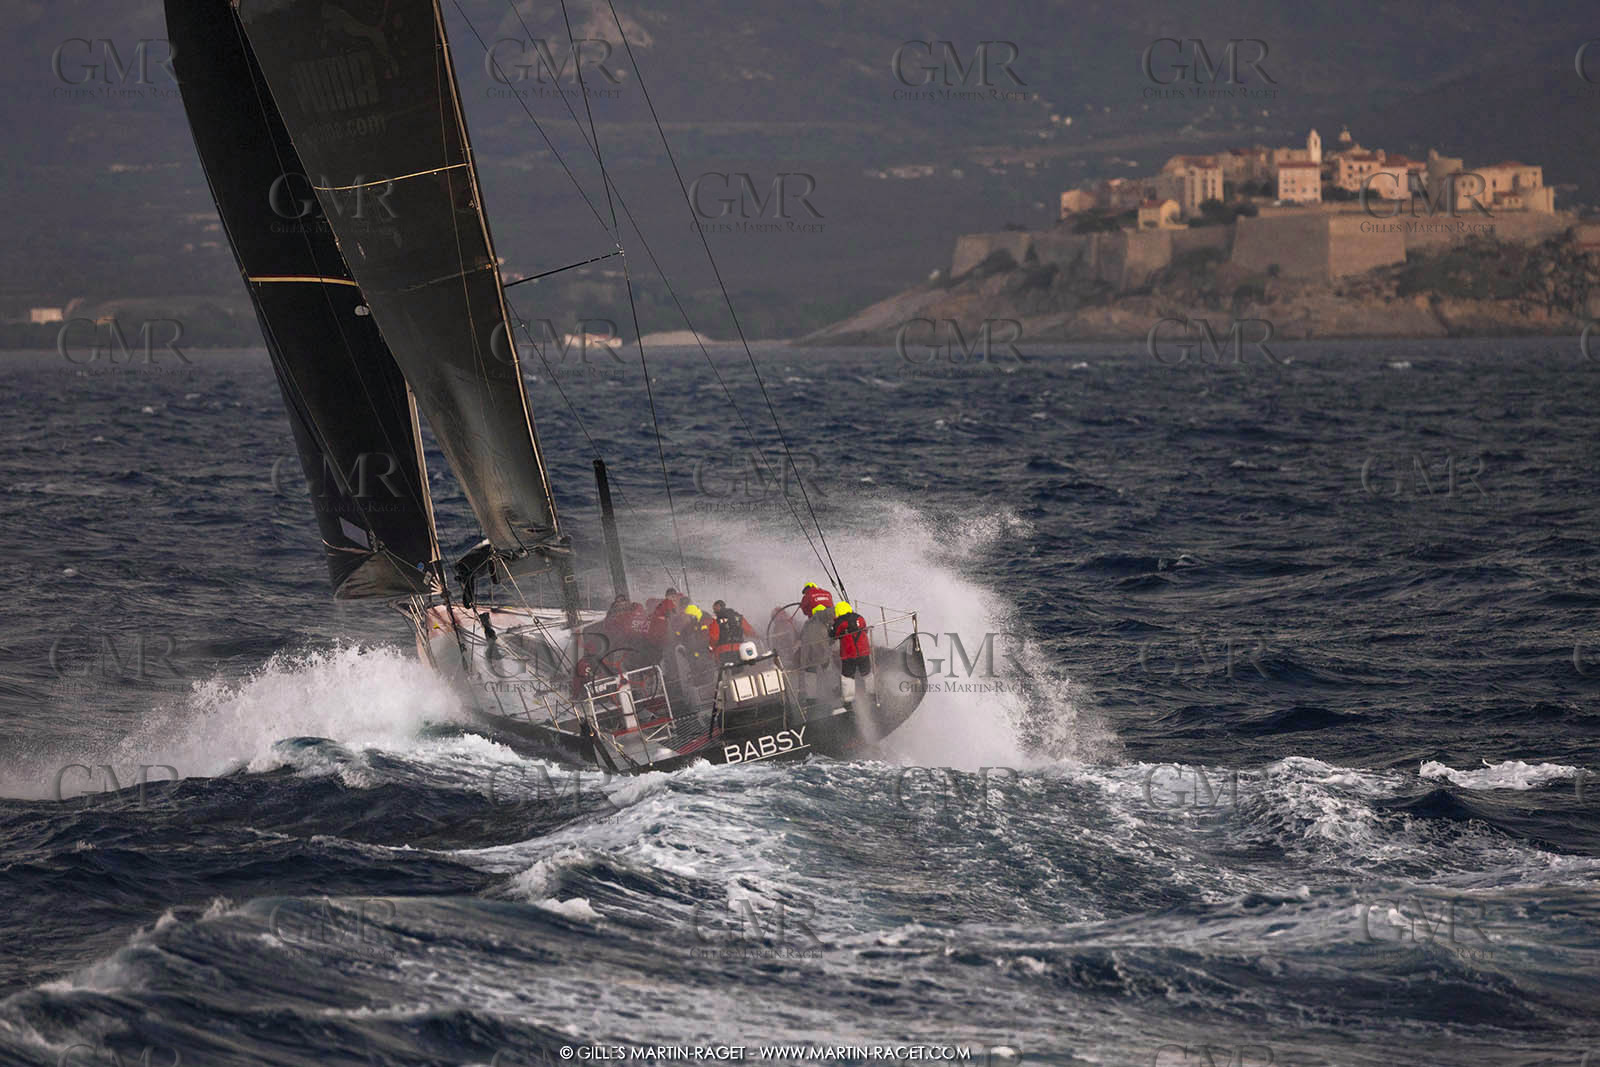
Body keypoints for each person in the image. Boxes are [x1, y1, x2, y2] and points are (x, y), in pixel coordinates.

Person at [796, 598, 838, 704]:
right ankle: (834, 691)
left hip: (808, 657)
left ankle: (811, 699)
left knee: (811, 675)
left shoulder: (806, 624)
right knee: (828, 669)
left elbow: (800, 637)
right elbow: (830, 640)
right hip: (822, 655)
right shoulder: (823, 622)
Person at [831, 601, 872, 701]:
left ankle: (848, 702)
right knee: (867, 673)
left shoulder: (839, 622)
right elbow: (865, 630)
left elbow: (834, 636)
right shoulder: (860, 617)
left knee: (848, 677)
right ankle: (873, 694)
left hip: (849, 654)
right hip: (864, 651)